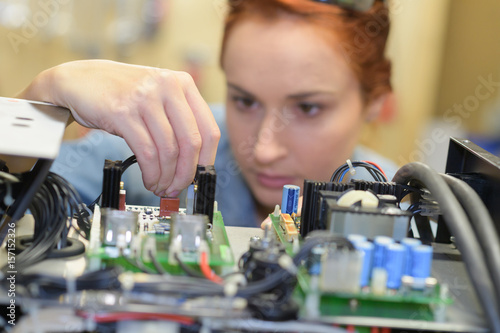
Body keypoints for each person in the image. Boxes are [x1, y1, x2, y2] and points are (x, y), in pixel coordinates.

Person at [22, 0, 396, 227]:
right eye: (245, 101)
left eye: (308, 108)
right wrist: (42, 99)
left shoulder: (412, 210)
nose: (263, 150)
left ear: (375, 100)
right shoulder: (168, 140)